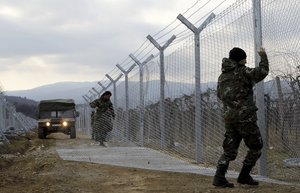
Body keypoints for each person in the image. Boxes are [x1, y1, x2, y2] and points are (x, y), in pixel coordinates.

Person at [213, 47, 269, 188]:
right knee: (256, 146)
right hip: (245, 118)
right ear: (240, 59)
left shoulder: (222, 77)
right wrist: (263, 57)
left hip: (230, 118)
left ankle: (219, 177)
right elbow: (262, 72)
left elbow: (220, 95)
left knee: (229, 150)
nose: (246, 60)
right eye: (244, 58)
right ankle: (244, 175)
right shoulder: (243, 71)